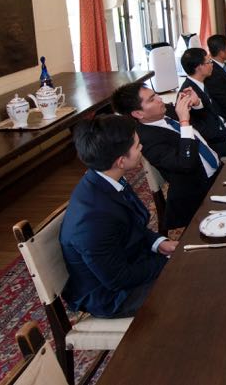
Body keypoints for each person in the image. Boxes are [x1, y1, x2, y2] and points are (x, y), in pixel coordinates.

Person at [59, 115, 177, 319]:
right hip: (114, 295)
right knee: (192, 286)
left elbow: (132, 225)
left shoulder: (107, 178)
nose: (142, 148)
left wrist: (158, 243)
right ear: (121, 161)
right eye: (138, 146)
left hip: (132, 261)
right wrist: (168, 261)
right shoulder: (91, 220)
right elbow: (118, 279)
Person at [112, 83, 222, 230]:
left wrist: (196, 103)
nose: (159, 99)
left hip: (219, 170)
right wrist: (184, 122)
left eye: (156, 94)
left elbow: (207, 124)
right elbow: (186, 164)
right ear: (138, 113)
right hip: (198, 191)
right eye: (152, 99)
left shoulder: (167, 110)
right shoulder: (146, 140)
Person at [180, 47, 226, 157]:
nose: (212, 64)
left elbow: (212, 110)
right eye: (209, 62)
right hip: (210, 145)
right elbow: (205, 131)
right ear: (199, 67)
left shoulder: (200, 84)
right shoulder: (188, 94)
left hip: (219, 131)